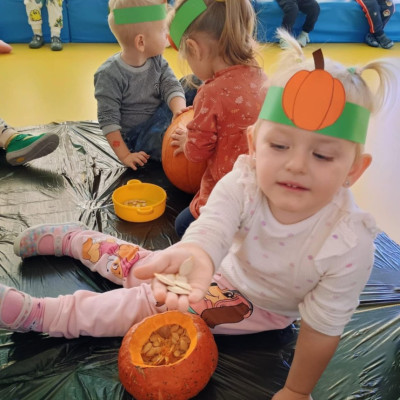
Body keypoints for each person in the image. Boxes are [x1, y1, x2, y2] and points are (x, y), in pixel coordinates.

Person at [1, 32, 399, 399]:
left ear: (354, 170)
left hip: (253, 308)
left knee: (145, 304)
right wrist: (198, 252)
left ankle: (44, 315)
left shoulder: (349, 243)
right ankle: (76, 239)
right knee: (139, 265)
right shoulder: (245, 180)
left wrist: (296, 390)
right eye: (279, 146)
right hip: (210, 264)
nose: (296, 165)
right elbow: (215, 223)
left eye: (322, 155)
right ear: (253, 144)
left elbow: (323, 329)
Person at [167, 0, 268, 237]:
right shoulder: (260, 75)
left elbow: (197, 153)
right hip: (263, 189)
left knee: (182, 225)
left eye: (187, 57)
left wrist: (188, 140)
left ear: (194, 48)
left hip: (229, 192)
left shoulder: (210, 93)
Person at [94, 0, 186, 169]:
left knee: (191, 82)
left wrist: (179, 112)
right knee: (167, 142)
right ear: (141, 42)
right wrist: (125, 155)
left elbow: (171, 85)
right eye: (163, 31)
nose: (167, 35)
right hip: (139, 136)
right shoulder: (109, 75)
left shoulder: (157, 60)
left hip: (162, 114)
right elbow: (108, 121)